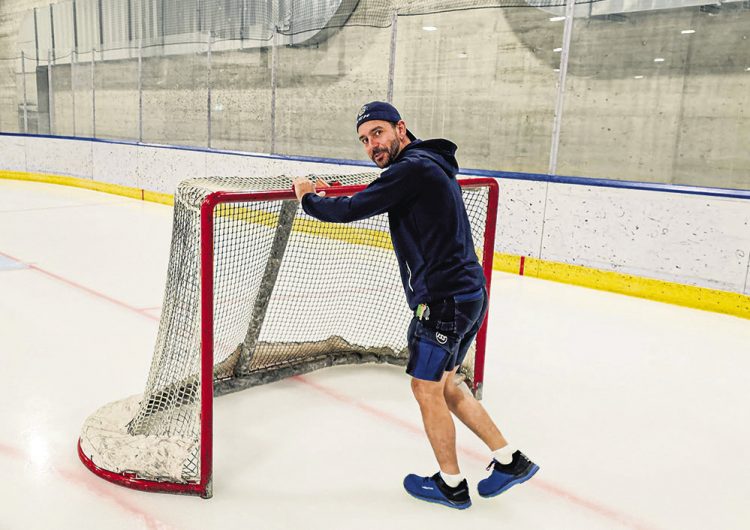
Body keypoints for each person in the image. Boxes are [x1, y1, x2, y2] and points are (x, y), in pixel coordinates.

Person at [292, 101, 538, 510]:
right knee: (448, 384)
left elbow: (352, 208)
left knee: (426, 388)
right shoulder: (430, 162)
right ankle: (510, 460)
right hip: (468, 295)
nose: (372, 145)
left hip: (444, 302)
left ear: (400, 128)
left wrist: (308, 198)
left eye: (378, 133)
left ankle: (451, 484)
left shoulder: (411, 169)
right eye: (365, 140)